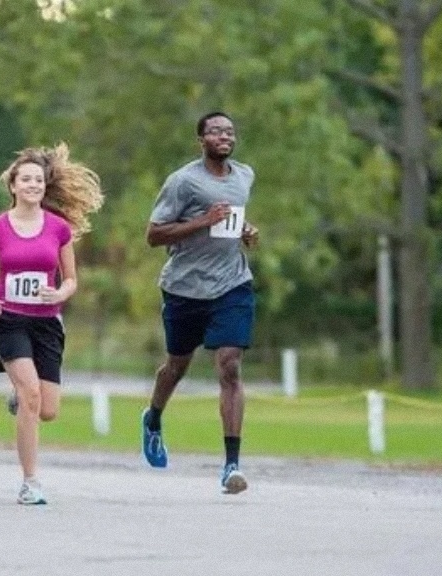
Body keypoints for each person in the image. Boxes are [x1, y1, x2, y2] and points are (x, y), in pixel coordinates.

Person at [0, 143, 103, 505]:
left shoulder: (58, 229)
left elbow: (71, 279)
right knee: (31, 396)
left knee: (48, 409)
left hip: (46, 323)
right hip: (8, 320)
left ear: (45, 185)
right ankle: (30, 483)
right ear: (13, 186)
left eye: (38, 180)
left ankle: (19, 389)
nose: (32, 185)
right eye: (25, 179)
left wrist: (60, 294)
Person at [140, 111, 260, 495]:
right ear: (201, 140)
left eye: (229, 131)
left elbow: (231, 220)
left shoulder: (245, 175)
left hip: (232, 284)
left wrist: (244, 231)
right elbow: (154, 235)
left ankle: (231, 467)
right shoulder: (183, 182)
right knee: (177, 366)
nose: (224, 136)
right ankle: (154, 417)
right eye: (215, 131)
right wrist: (203, 222)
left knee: (229, 366)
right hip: (184, 288)